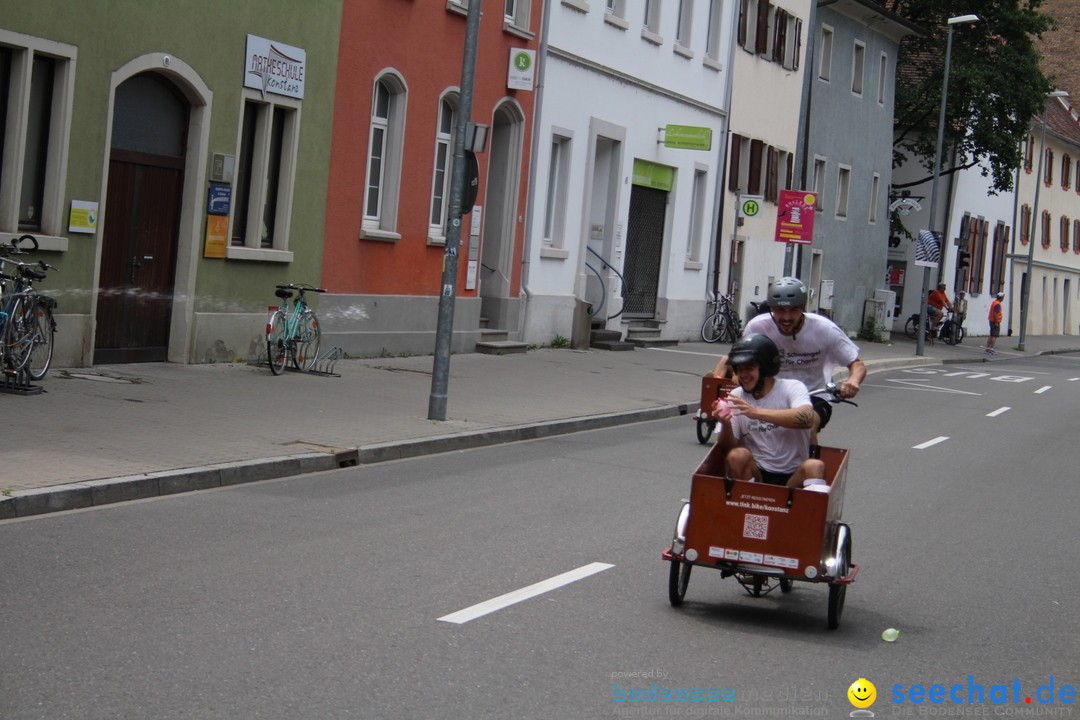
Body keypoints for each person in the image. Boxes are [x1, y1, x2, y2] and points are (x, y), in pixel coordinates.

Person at [712, 277, 865, 441]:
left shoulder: (825, 329)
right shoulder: (757, 327)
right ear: (771, 308)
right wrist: (737, 375)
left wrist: (853, 381)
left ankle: (809, 465)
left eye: (793, 310)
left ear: (803, 308)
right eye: (779, 310)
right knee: (745, 432)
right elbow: (741, 355)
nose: (786, 317)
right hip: (768, 392)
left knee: (807, 426)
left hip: (813, 394)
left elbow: (856, 363)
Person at [712, 334, 827, 490]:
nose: (743, 375)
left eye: (749, 368)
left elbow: (807, 419)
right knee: (737, 456)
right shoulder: (736, 396)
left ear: (765, 368)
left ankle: (807, 511)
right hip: (757, 473)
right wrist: (725, 424)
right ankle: (746, 504)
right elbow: (729, 448)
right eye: (739, 369)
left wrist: (756, 413)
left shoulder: (791, 387)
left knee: (815, 466)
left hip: (793, 476)